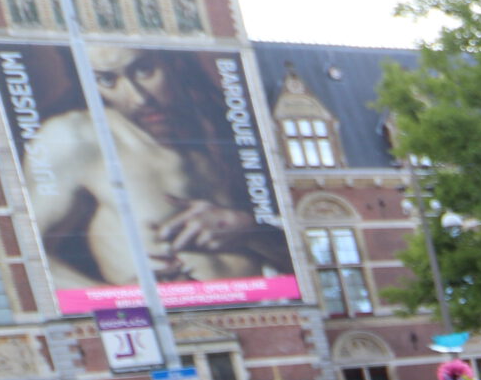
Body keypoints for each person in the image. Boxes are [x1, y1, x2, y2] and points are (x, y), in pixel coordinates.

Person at [19, 45, 293, 292]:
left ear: (172, 60)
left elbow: (306, 250)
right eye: (106, 80)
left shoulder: (223, 123)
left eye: (144, 70)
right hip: (172, 328)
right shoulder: (74, 136)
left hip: (268, 302)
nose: (139, 98)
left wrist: (249, 231)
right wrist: (122, 304)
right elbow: (25, 251)